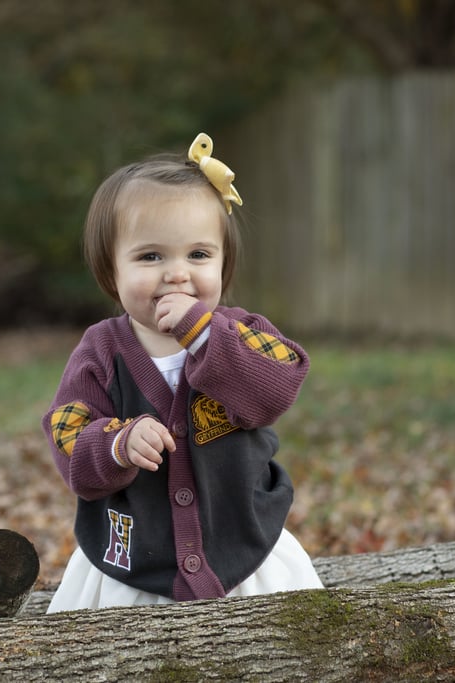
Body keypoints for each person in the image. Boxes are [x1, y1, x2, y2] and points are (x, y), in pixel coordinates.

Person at [42, 133, 322, 611]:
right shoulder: (101, 350)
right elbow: (67, 436)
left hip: (242, 550)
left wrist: (206, 335)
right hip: (131, 566)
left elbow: (277, 387)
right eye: (151, 256)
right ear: (112, 272)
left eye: (198, 255)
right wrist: (118, 442)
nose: (177, 273)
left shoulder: (241, 332)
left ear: (223, 264)